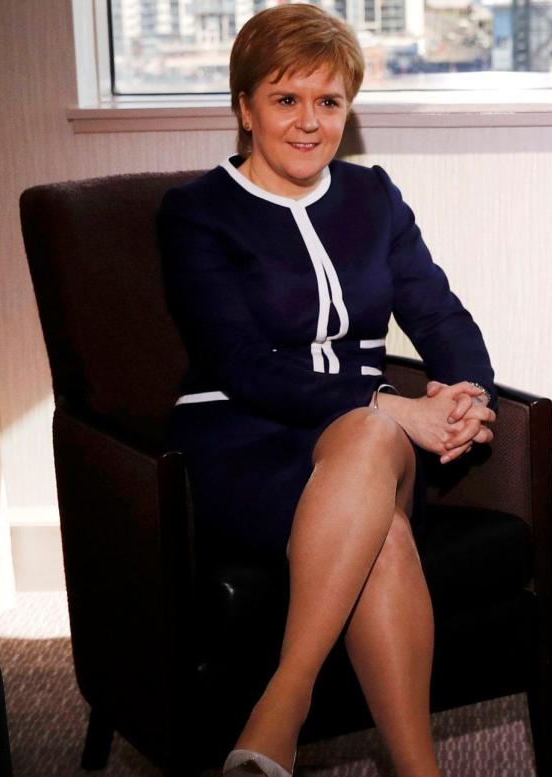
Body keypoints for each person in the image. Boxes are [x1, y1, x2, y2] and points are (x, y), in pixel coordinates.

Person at [156, 6, 496, 776]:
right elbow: (237, 361)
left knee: (371, 436)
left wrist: (470, 395)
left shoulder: (374, 197)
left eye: (329, 102)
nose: (309, 123)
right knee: (384, 527)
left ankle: (284, 697)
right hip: (238, 437)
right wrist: (387, 402)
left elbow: (439, 313)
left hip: (358, 440)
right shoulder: (196, 213)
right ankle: (415, 766)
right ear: (245, 108)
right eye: (286, 100)